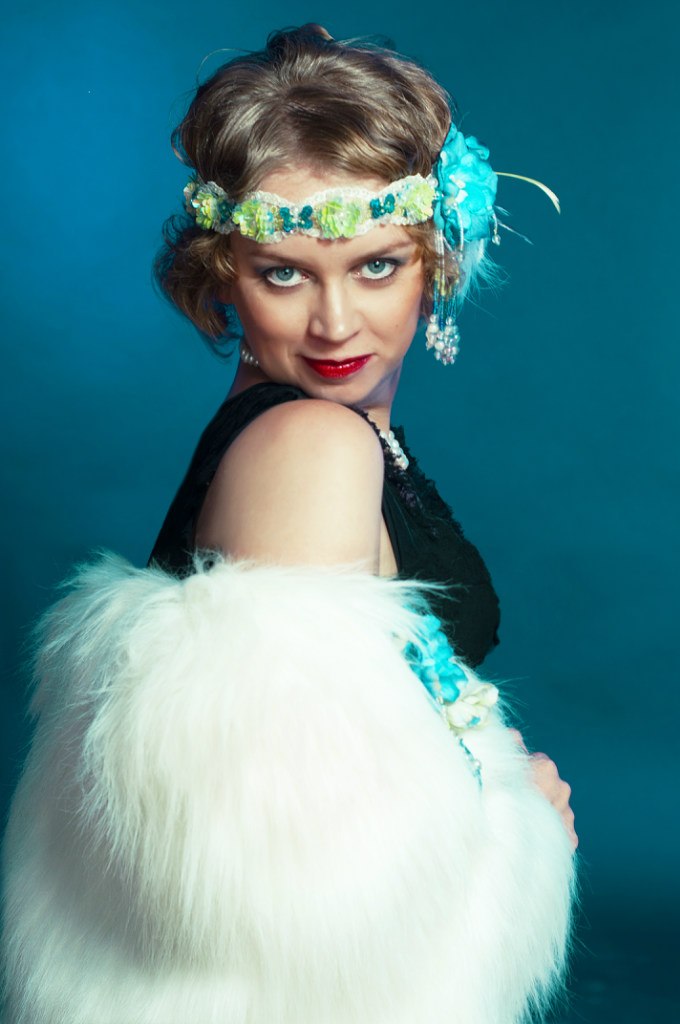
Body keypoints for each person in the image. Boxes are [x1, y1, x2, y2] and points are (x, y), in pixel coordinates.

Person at [1, 25, 576, 1024]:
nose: (334, 323)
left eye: (376, 266)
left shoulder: (329, 434)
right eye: (283, 273)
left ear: (435, 260)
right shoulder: (312, 445)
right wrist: (509, 819)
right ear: (223, 273)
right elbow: (294, 880)